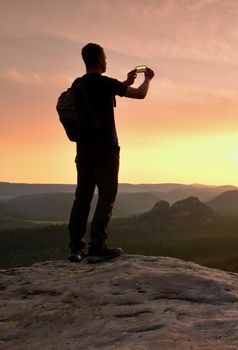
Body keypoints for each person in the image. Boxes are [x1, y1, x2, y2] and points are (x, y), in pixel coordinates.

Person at [67, 43, 155, 263]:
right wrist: (148, 79)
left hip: (84, 149)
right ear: (99, 59)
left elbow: (96, 101)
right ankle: (98, 245)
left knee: (83, 196)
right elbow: (140, 95)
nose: (106, 62)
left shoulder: (77, 85)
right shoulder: (106, 83)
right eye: (105, 58)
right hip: (106, 148)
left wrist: (124, 82)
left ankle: (76, 248)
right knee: (107, 195)